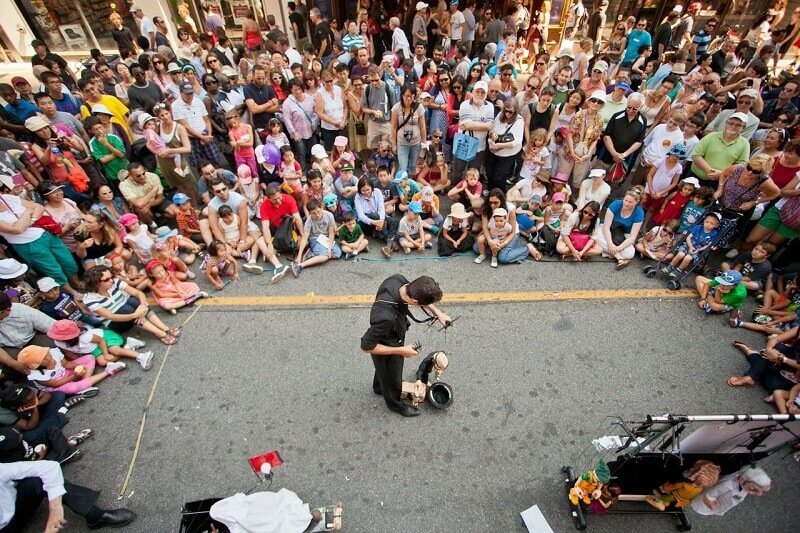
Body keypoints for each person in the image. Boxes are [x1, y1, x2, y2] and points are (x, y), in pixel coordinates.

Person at [361, 275, 451, 417]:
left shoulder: (398, 281)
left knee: (382, 369)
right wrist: (402, 350)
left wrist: (438, 313)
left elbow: (419, 297)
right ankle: (395, 405)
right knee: (394, 378)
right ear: (414, 302)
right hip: (387, 344)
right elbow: (366, 346)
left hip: (392, 331)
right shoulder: (386, 317)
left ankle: (379, 387)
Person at [597, 186, 645, 269]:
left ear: (637, 202)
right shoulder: (615, 204)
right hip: (609, 228)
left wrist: (618, 248)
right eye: (625, 200)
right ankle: (619, 257)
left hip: (625, 233)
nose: (626, 203)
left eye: (630, 202)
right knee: (597, 236)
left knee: (630, 254)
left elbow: (632, 237)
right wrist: (610, 244)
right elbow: (606, 227)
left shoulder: (639, 212)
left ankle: (606, 251)